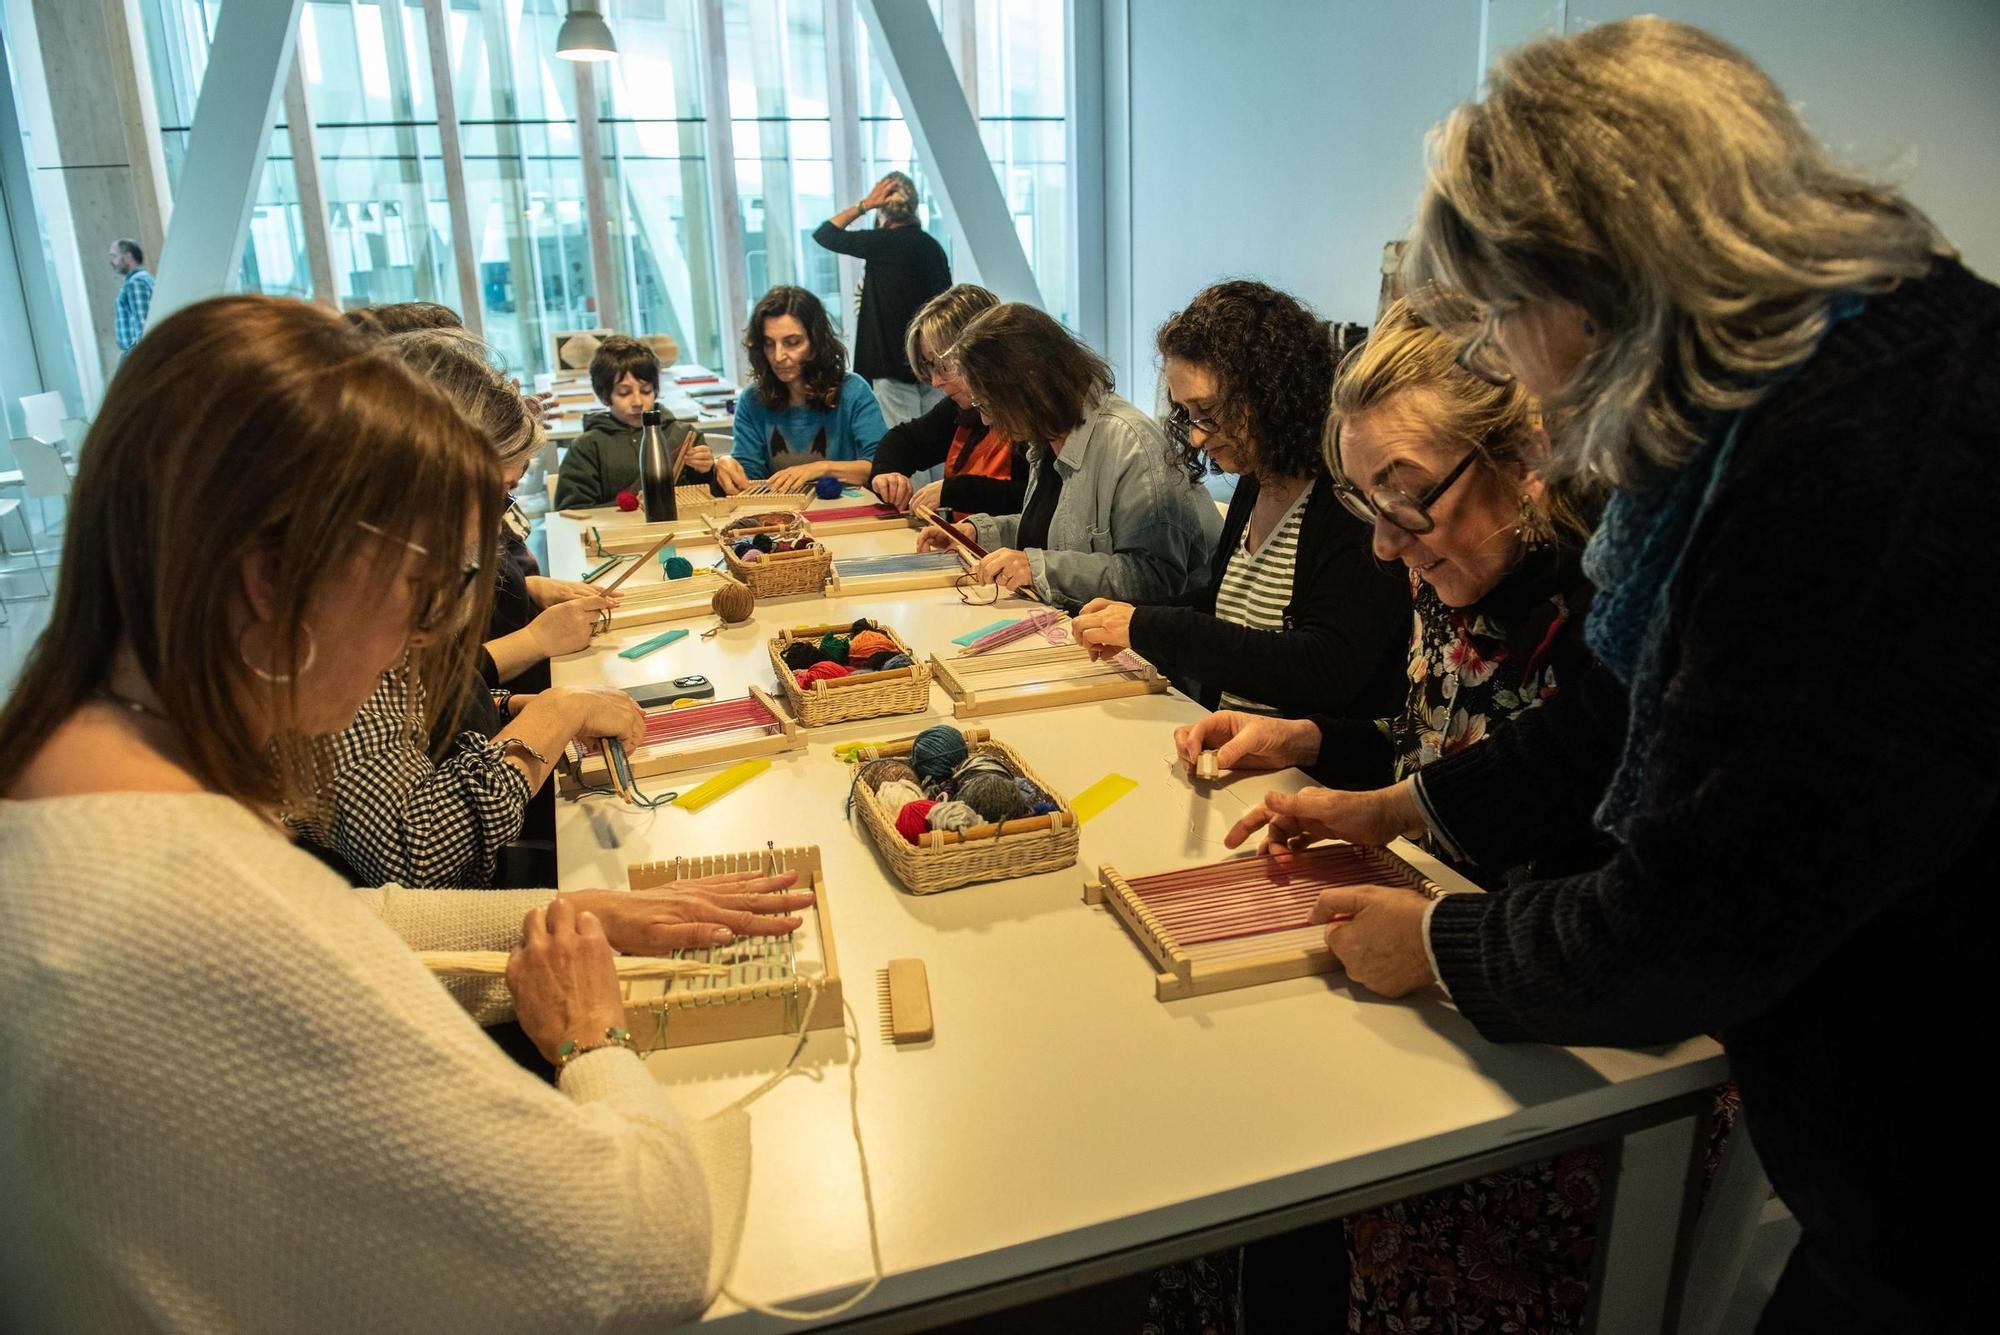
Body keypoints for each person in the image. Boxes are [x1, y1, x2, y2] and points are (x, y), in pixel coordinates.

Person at [1226, 19, 1995, 1331]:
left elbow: (1697, 912)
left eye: (1505, 324)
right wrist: (1396, 812)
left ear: (1590, 287)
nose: (1516, 378)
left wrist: (1439, 940)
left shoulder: (1854, 465)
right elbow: (1614, 710)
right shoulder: (1803, 377)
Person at [0, 294, 816, 1331]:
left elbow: (351, 925)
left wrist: (563, 919)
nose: (420, 641)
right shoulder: (185, 902)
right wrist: (594, 1043)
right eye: (422, 591)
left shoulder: (63, 774)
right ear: (270, 580)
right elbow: (639, 1256)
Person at [293, 329, 657, 889]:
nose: (496, 526)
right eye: (497, 493)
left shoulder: (384, 583)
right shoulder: (344, 612)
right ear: (430, 478)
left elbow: (418, 709)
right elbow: (414, 855)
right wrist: (551, 717)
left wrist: (513, 708)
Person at [1070, 281, 1407, 717]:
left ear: (1271, 393)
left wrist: (1151, 626)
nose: (1194, 435)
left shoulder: (1346, 498)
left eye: (1209, 413)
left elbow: (1325, 666)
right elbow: (1226, 616)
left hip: (1302, 772)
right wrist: (1126, 619)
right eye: (1186, 414)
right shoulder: (1256, 478)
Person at [918, 303, 1219, 607]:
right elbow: (1057, 535)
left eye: (988, 404)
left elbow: (1156, 578)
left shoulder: (1131, 444)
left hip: (1142, 648)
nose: (986, 420)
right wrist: (979, 533)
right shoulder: (1047, 439)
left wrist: (1037, 568)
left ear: (1028, 386)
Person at [867, 283, 1028, 518]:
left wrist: (954, 491)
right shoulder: (960, 410)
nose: (935, 382)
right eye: (929, 367)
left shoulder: (1029, 414)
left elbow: (1032, 500)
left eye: (942, 366)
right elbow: (905, 441)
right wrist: (887, 474)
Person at [713, 286, 886, 495]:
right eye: (769, 344)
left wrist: (821, 469)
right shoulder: (752, 399)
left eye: (792, 343)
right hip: (782, 518)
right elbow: (749, 477)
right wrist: (724, 464)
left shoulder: (853, 391)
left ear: (816, 342)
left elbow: (879, 466)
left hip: (847, 516)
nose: (778, 356)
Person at [812, 171, 952, 426]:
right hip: (933, 367)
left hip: (890, 369)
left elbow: (826, 233)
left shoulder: (881, 244)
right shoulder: (932, 248)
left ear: (882, 212)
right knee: (937, 450)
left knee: (908, 455)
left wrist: (865, 204)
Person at [552, 334, 716, 509]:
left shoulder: (685, 436)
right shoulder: (587, 447)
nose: (638, 402)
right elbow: (571, 512)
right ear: (604, 395)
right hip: (617, 535)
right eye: (624, 393)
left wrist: (706, 472)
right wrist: (629, 505)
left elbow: (710, 500)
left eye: (646, 391)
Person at [109, 238, 153, 354]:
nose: (112, 262)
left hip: (137, 353)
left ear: (128, 257)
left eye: (114, 256)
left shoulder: (136, 284)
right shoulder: (142, 279)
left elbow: (143, 324)